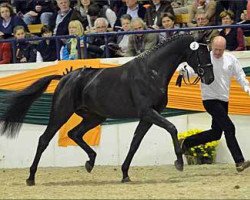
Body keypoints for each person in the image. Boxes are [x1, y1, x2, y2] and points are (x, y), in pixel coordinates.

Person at [179, 36, 250, 172]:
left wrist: (247, 88)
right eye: (216, 49)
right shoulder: (205, 58)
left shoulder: (231, 59)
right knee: (229, 128)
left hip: (224, 100)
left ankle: (186, 143)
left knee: (216, 134)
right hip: (210, 100)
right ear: (211, 46)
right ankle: (239, 161)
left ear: (225, 48)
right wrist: (184, 70)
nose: (218, 52)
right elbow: (191, 72)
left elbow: (240, 76)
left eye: (221, 50)